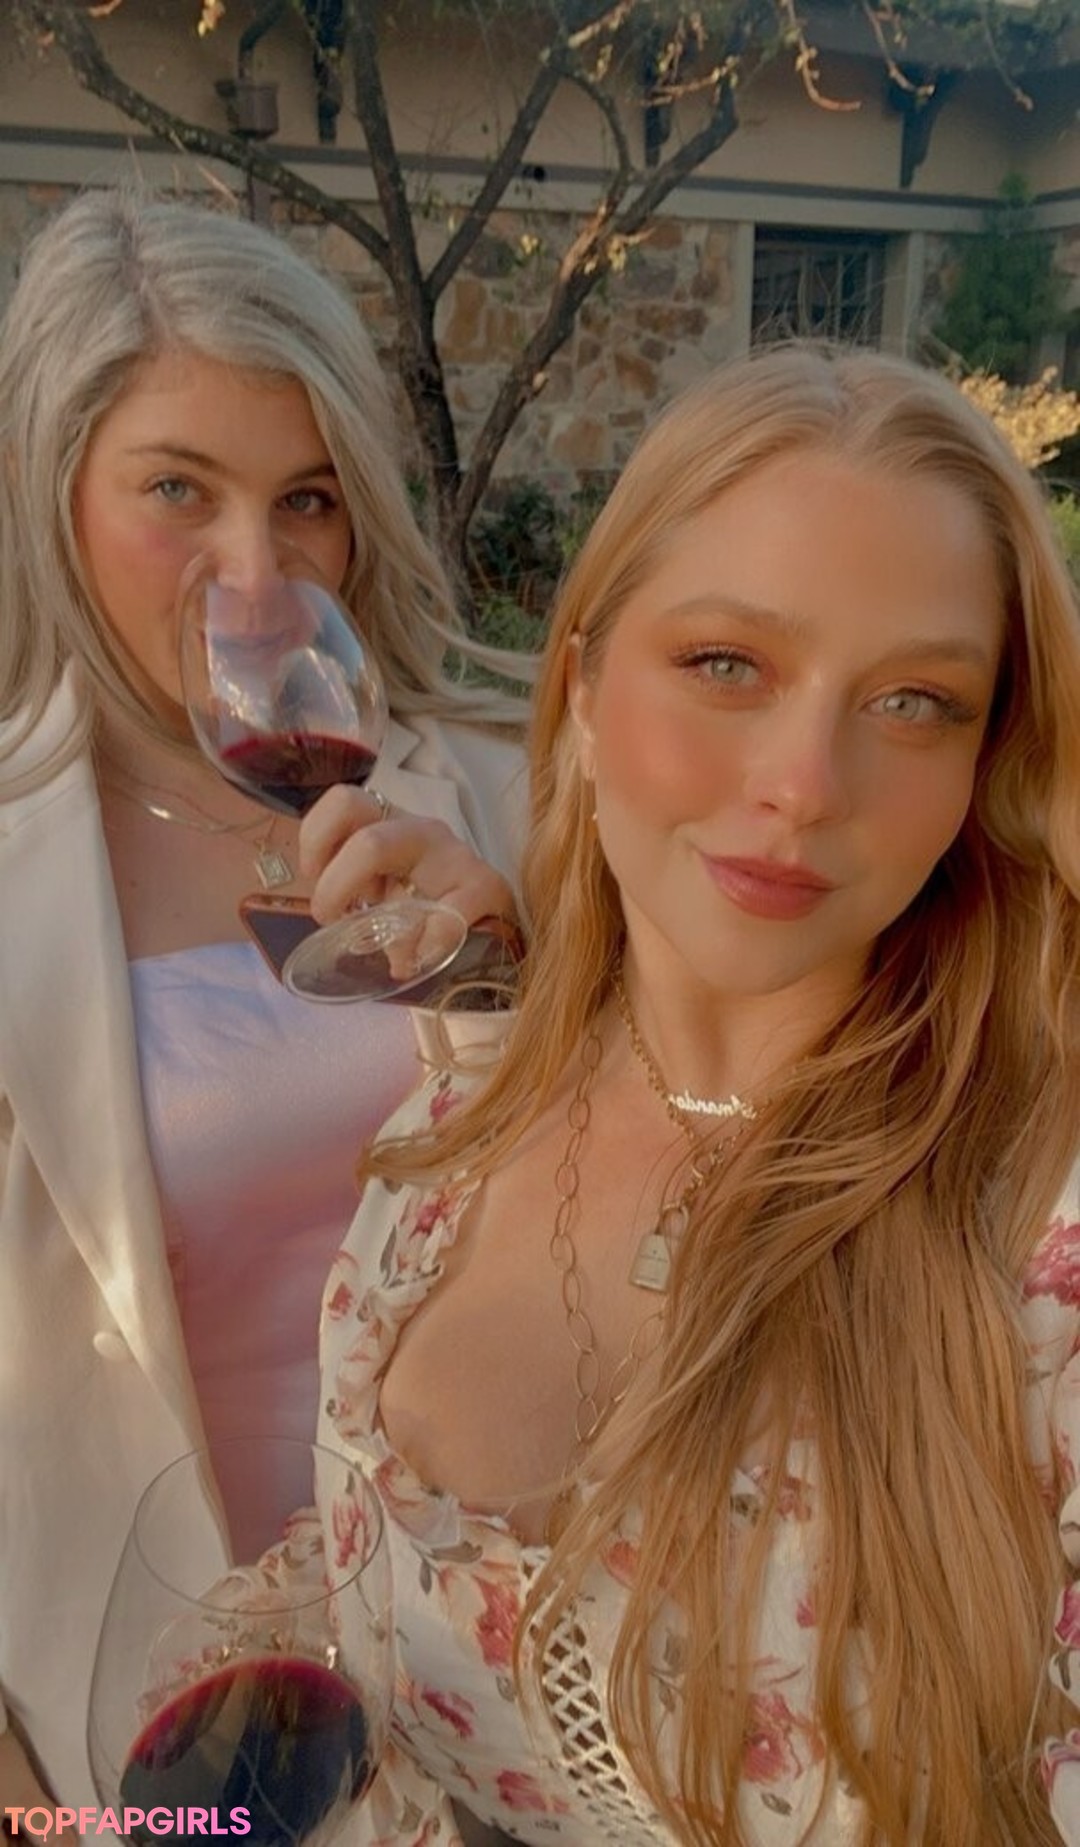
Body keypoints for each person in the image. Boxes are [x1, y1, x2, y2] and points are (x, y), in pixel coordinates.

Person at [306, 344, 1080, 1845]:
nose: (805, 783)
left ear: (989, 762)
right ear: (584, 691)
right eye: (728, 664)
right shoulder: (448, 1132)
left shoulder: (1034, 1228)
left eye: (915, 701)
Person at [0, 188, 528, 1817]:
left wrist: (513, 980)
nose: (256, 567)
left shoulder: (504, 800)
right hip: (150, 1717)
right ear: (54, 496)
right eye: (179, 490)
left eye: (307, 499)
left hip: (502, 1684)